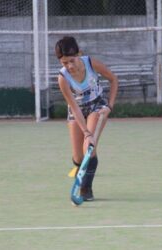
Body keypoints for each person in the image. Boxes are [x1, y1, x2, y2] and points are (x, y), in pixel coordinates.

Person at [55, 36, 118, 200]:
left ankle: (86, 189)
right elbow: (74, 108)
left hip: (97, 105)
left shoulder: (91, 63)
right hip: (76, 109)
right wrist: (86, 132)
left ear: (79, 54)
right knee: (78, 157)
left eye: (72, 60)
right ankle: (78, 167)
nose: (69, 66)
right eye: (64, 63)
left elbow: (113, 79)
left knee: (89, 148)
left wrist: (109, 106)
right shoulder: (62, 78)